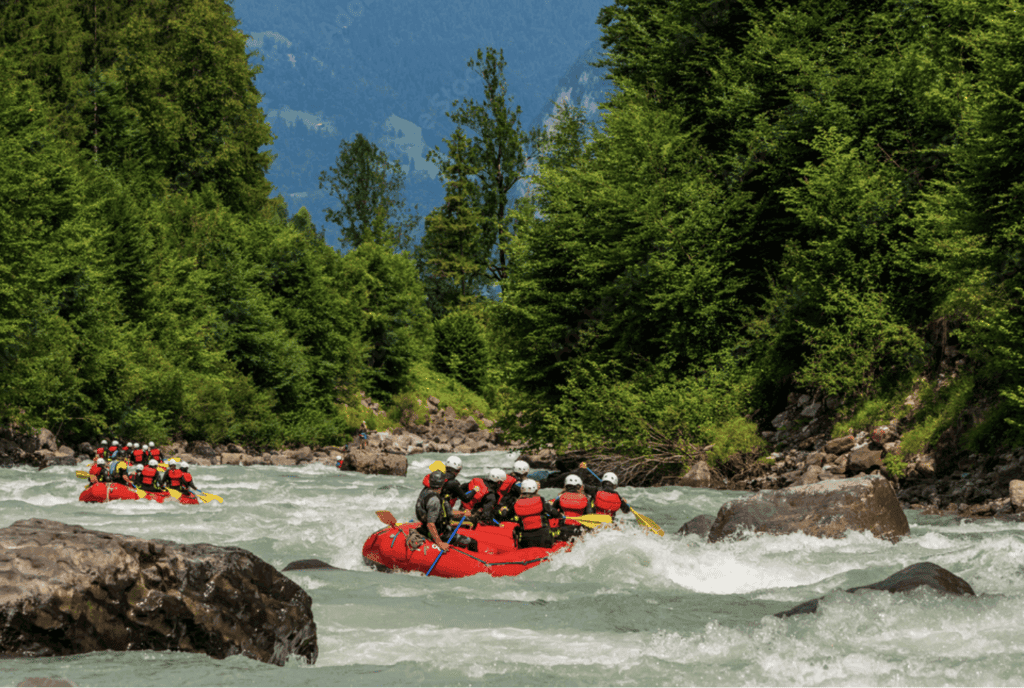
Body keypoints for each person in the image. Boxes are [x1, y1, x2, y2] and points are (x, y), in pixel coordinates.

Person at [414, 470, 478, 552]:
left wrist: (463, 513)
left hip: (434, 527)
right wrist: (440, 543)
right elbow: (431, 524)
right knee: (473, 542)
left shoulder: (426, 491)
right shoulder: (435, 500)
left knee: (453, 530)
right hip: (438, 533)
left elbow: (448, 512)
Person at [511, 478, 563, 549]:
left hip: (525, 537)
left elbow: (507, 515)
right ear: (535, 489)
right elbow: (554, 512)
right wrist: (559, 515)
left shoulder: (515, 503)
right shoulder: (540, 500)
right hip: (543, 535)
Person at [550, 473, 594, 541]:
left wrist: (559, 514)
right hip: (578, 531)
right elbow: (590, 516)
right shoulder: (585, 499)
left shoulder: (560, 497)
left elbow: (552, 511)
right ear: (578, 486)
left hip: (563, 530)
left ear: (566, 485)